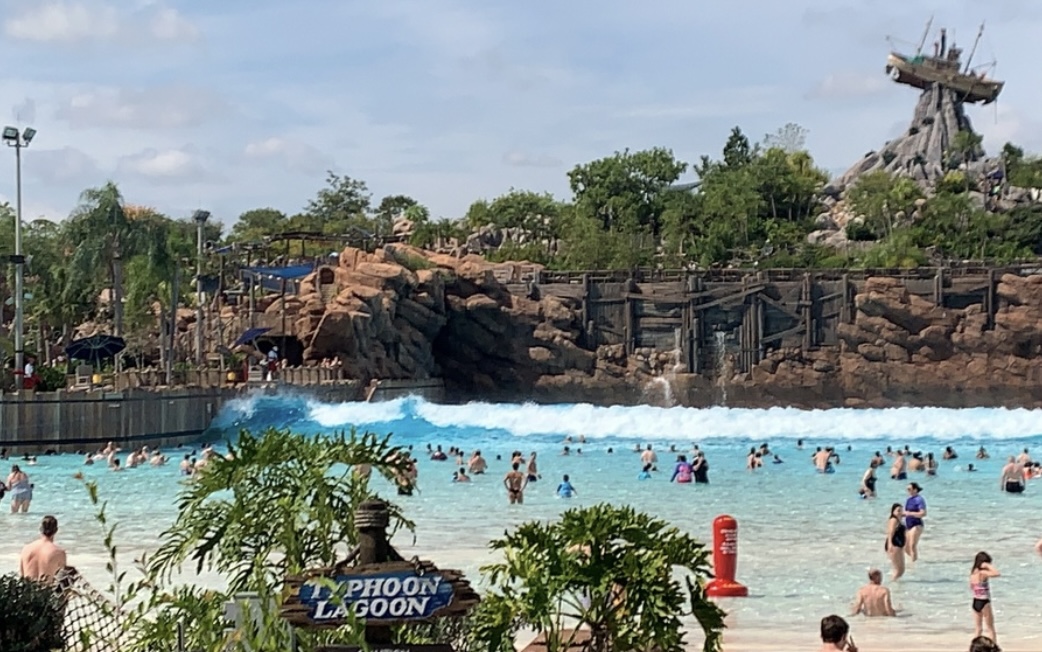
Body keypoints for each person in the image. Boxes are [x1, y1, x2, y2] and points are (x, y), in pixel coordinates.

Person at [19, 515, 67, 581]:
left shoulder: (26, 549)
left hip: (27, 587)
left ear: (40, 529)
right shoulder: (59, 553)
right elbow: (62, 580)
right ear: (56, 530)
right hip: (46, 587)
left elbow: (21, 576)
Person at [970, 551, 1000, 644]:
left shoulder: (973, 573)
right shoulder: (983, 573)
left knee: (978, 629)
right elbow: (997, 573)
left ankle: (973, 647)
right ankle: (994, 647)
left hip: (975, 601)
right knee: (990, 628)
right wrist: (987, 566)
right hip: (984, 601)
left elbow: (971, 587)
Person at [904, 482, 926, 562]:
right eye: (907, 489)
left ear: (915, 490)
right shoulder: (908, 500)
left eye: (909, 489)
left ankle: (913, 563)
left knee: (912, 545)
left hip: (917, 524)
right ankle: (915, 560)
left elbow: (923, 513)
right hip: (908, 525)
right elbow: (906, 513)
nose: (908, 491)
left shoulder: (919, 499)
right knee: (906, 547)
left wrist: (910, 514)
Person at [884, 502, 906, 581]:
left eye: (901, 510)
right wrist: (890, 544)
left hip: (899, 545)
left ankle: (896, 584)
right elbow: (890, 533)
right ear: (893, 511)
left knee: (901, 569)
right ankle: (892, 582)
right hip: (894, 544)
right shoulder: (893, 520)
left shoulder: (899, 520)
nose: (900, 512)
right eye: (898, 510)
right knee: (898, 569)